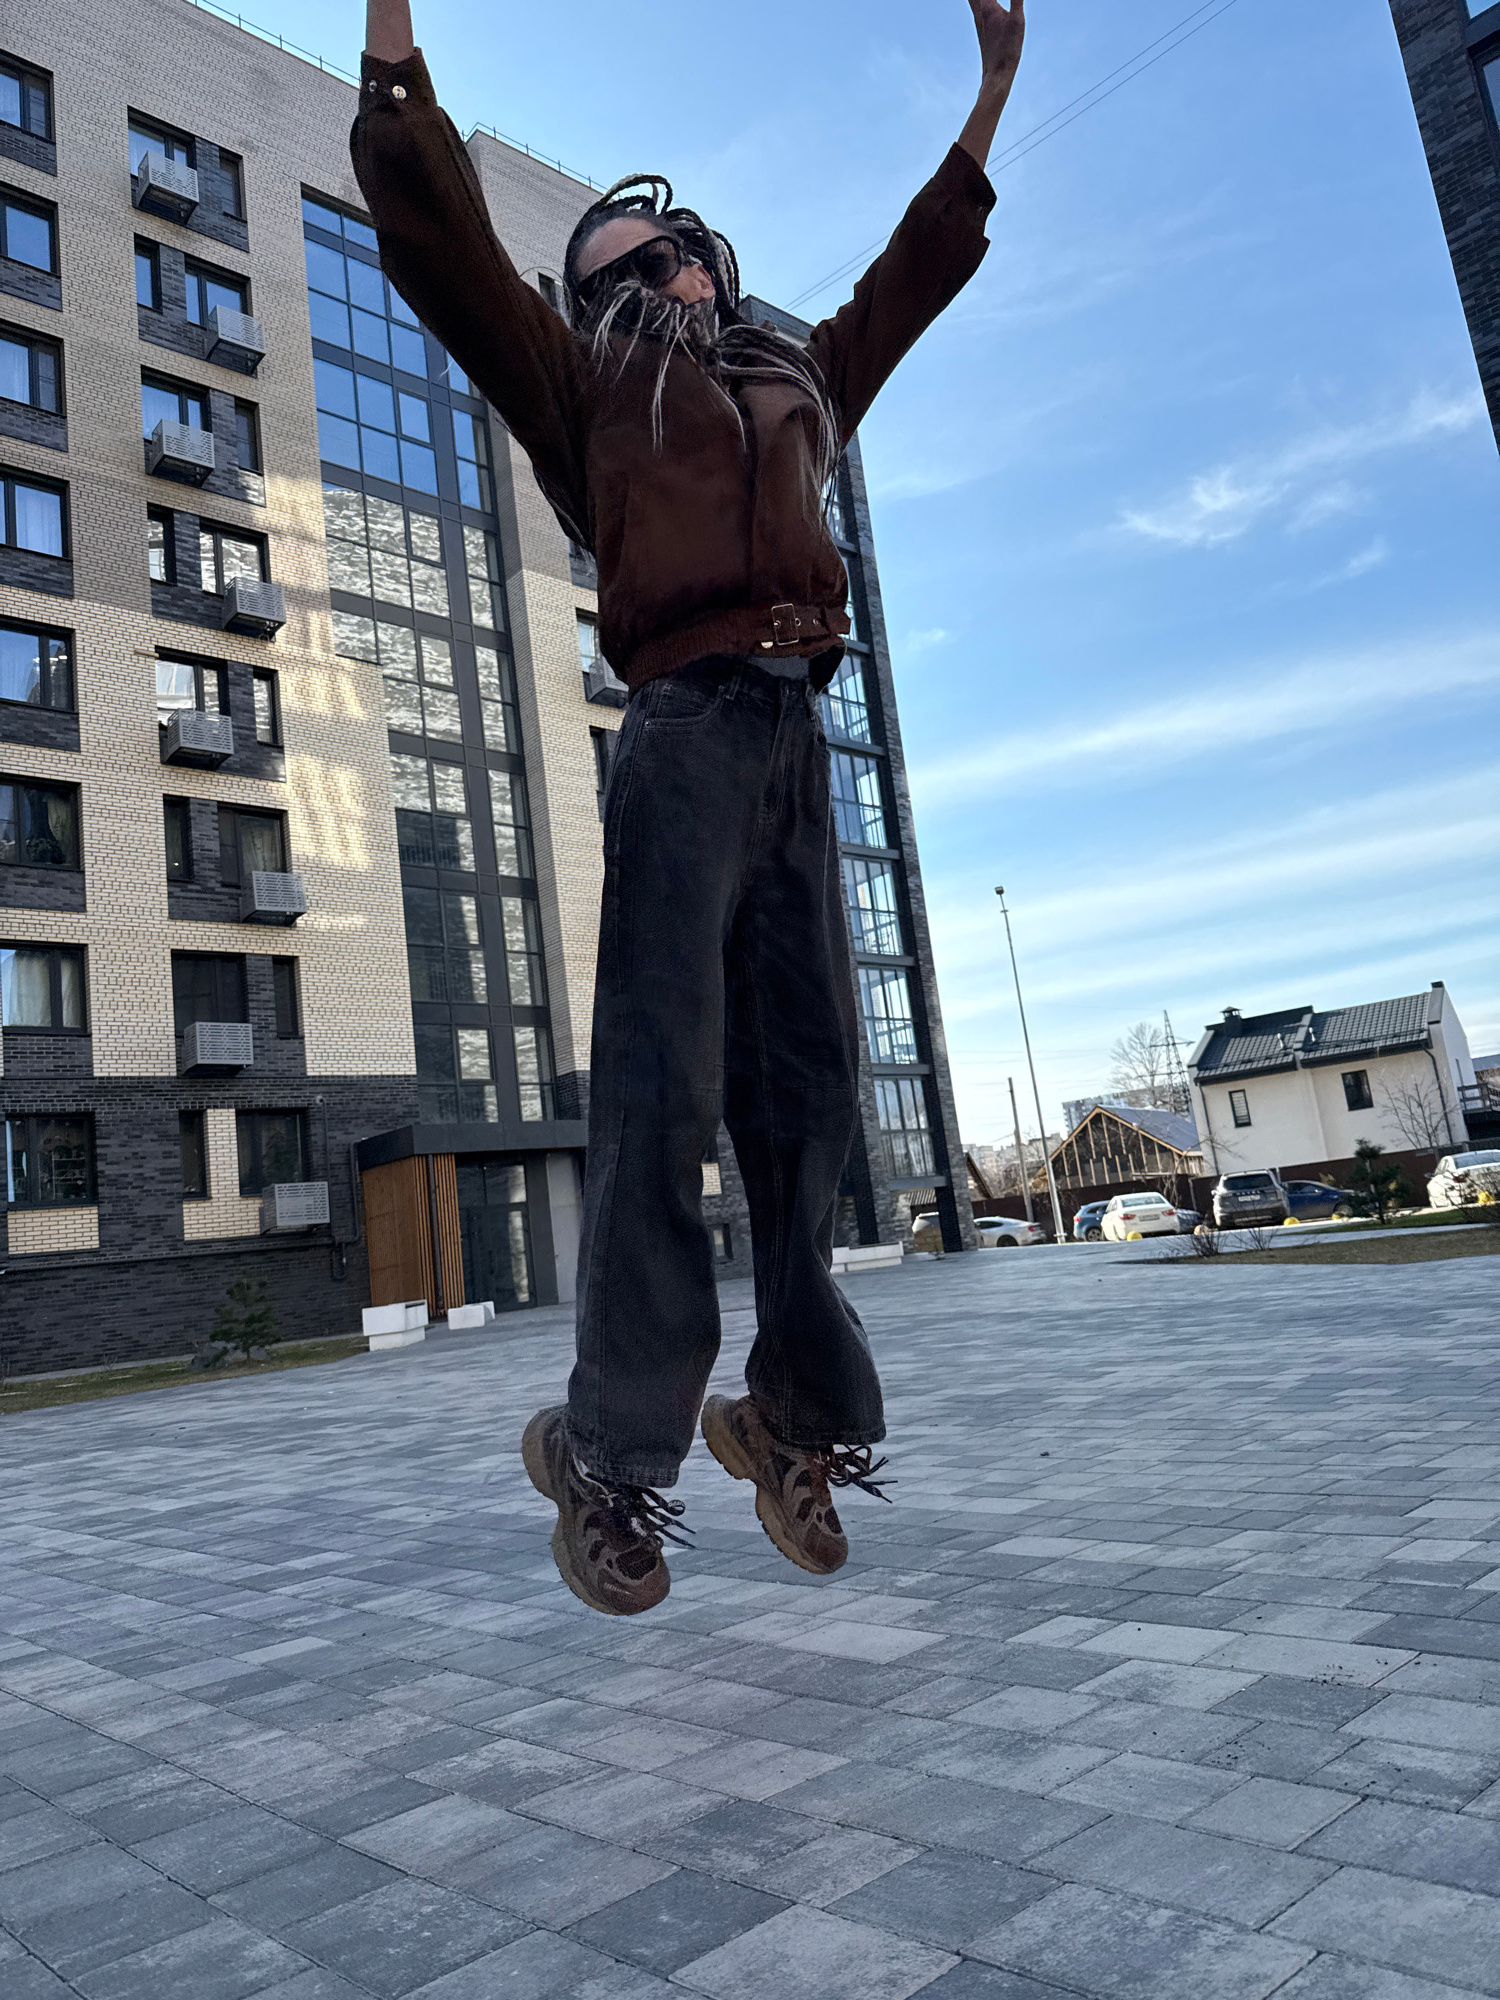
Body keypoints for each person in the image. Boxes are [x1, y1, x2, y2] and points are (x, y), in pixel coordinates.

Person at [354, 0, 1028, 1616]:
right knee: (664, 1090)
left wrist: (992, 92)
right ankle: (610, 1457)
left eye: (680, 252)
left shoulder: (799, 376)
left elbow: (909, 279)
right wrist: (393, 50)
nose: (669, 275)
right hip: (683, 728)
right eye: (629, 269)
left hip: (799, 738)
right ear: (593, 307)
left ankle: (790, 1416)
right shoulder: (585, 390)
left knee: (811, 1101)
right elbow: (446, 247)